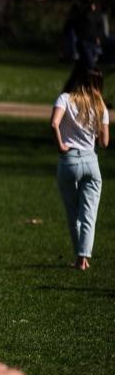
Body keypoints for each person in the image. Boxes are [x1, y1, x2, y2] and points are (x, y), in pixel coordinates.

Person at [51, 66, 108, 270]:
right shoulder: (100, 106)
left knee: (72, 212)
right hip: (91, 162)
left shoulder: (65, 99)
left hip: (69, 160)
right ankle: (84, 258)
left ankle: (78, 258)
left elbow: (54, 123)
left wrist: (60, 145)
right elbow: (104, 143)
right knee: (89, 214)